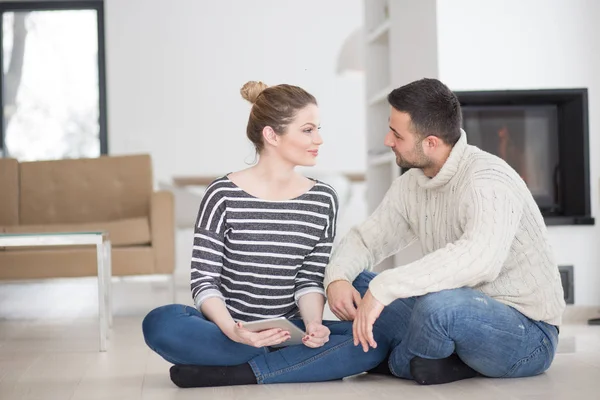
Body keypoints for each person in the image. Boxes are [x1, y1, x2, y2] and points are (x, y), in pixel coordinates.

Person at [142, 81, 389, 388]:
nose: (319, 139)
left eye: (318, 129)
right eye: (308, 130)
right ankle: (285, 363)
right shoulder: (222, 195)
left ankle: (237, 372)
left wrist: (313, 324)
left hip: (290, 331)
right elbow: (204, 280)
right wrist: (234, 330)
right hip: (225, 330)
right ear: (271, 135)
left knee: (371, 342)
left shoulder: (323, 199)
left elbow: (309, 278)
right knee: (160, 323)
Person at [325, 77, 565, 385]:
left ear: (431, 143)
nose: (388, 140)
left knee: (439, 306)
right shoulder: (412, 184)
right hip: (448, 310)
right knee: (354, 279)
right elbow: (366, 239)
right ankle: (426, 358)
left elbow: (480, 258)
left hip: (526, 333)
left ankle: (397, 358)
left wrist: (386, 286)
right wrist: (338, 279)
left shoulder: (488, 179)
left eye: (396, 134)